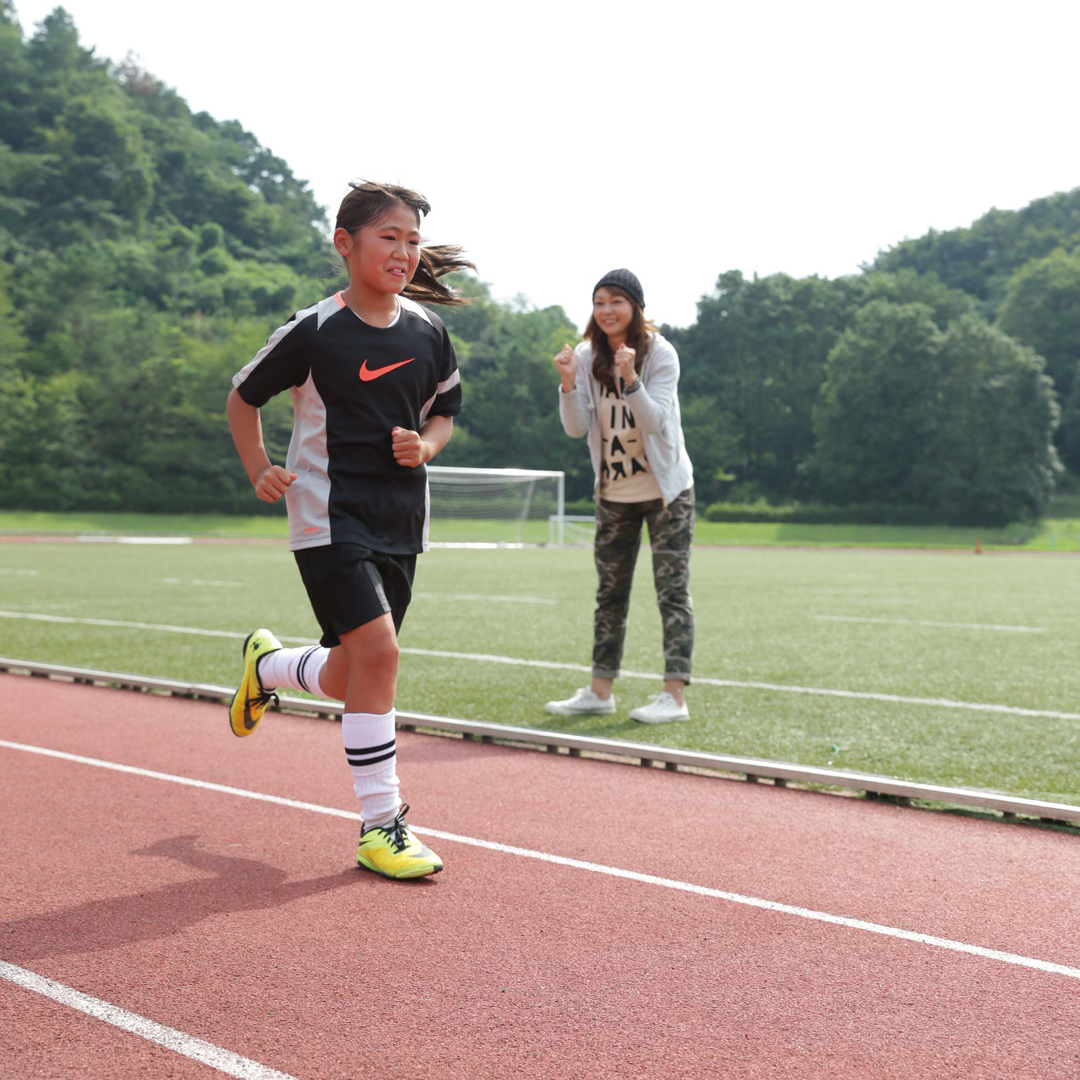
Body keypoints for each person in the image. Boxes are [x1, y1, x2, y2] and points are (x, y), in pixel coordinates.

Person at [226, 181, 472, 879]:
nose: (403, 252)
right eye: (389, 237)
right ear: (346, 244)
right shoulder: (317, 329)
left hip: (400, 522)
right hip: (326, 516)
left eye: (413, 240)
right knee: (382, 653)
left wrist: (425, 446)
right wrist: (259, 469)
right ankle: (381, 827)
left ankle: (267, 667)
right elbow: (242, 398)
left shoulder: (428, 332)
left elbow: (445, 412)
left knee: (351, 672)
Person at [545, 269, 695, 724]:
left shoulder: (661, 354)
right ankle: (600, 690)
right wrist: (569, 382)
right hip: (614, 493)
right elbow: (576, 429)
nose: (606, 311)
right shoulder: (588, 355)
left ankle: (674, 697)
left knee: (671, 592)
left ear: (635, 307)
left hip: (667, 493)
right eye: (599, 302)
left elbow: (654, 422)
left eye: (616, 302)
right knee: (610, 594)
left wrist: (630, 376)